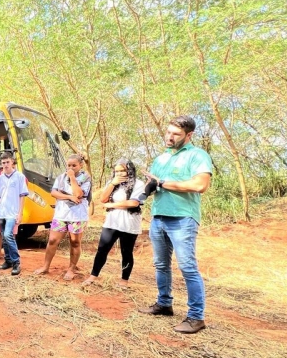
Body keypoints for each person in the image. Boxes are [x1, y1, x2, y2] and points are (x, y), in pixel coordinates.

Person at [137, 116, 212, 334]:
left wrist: (163, 183)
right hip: (158, 217)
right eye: (168, 132)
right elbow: (154, 184)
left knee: (188, 267)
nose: (170, 137)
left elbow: (200, 185)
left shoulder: (197, 155)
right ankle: (164, 304)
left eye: (176, 134)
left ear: (189, 135)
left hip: (182, 218)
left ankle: (196, 317)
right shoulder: (161, 159)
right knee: (161, 265)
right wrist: (145, 191)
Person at [81, 159, 144, 288]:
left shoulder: (139, 184)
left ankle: (124, 280)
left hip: (129, 223)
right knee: (102, 250)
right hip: (111, 222)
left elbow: (133, 203)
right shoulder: (112, 183)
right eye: (116, 171)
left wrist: (111, 205)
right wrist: (112, 184)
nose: (119, 174)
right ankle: (93, 276)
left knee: (126, 252)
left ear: (129, 170)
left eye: (122, 171)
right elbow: (102, 199)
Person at [34, 154, 92, 280]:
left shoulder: (85, 178)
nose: (71, 168)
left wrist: (72, 178)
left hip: (77, 216)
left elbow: (79, 194)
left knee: (75, 242)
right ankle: (45, 266)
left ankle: (71, 269)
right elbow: (54, 192)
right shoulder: (60, 177)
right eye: (69, 165)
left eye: (74, 165)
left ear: (80, 165)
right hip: (61, 215)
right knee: (53, 240)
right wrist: (69, 197)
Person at [0, 152, 29, 276]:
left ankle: (16, 262)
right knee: (4, 237)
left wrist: (20, 213)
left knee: (8, 235)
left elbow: (22, 196)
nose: (6, 165)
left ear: (12, 162)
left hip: (13, 213)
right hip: (2, 212)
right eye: (3, 163)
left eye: (7, 162)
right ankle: (7, 260)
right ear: (1, 164)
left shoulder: (19, 177)